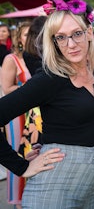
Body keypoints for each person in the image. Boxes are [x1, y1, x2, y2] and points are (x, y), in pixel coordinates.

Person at [0, 0, 94, 208]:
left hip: (92, 187)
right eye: (61, 37)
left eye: (77, 33)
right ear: (54, 42)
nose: (71, 44)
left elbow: (71, 116)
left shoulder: (92, 71)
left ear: (89, 32)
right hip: (53, 188)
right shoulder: (50, 79)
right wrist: (21, 167)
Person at [1, 20, 32, 209]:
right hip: (17, 116)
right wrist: (32, 89)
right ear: (19, 38)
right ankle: (18, 202)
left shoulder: (40, 58)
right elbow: (6, 88)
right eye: (27, 35)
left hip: (36, 116)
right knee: (17, 155)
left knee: (33, 154)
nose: (30, 39)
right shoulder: (11, 59)